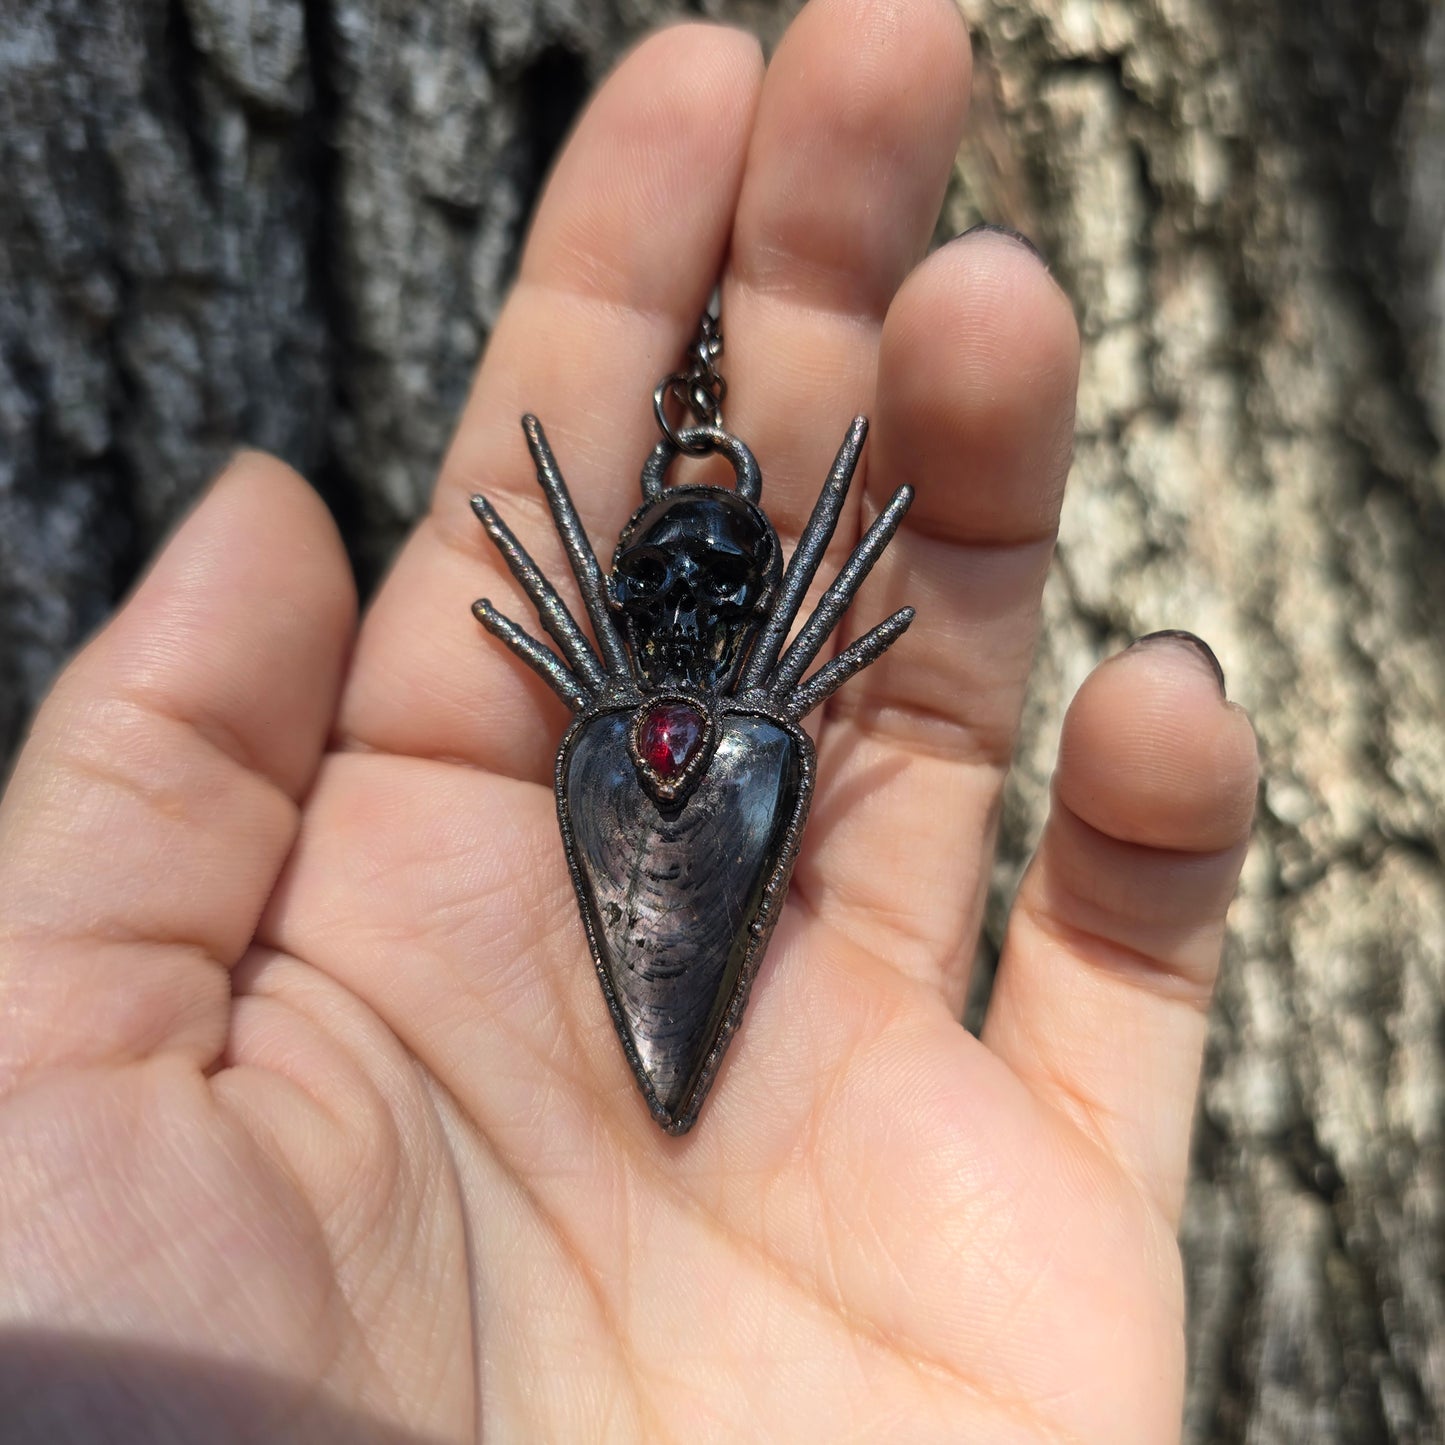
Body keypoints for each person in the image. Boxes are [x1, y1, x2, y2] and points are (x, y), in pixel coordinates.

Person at [0, 0, 1258, 1439]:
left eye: (707, 577)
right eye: (653, 575)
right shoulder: (643, 729)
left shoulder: (730, 727)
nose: (677, 594)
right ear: (620, 585)